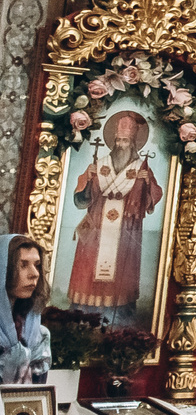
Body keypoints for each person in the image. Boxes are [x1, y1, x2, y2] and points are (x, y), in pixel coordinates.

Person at [68, 109, 160, 311]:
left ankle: (120, 309)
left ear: (134, 140)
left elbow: (153, 195)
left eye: (126, 140)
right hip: (97, 226)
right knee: (89, 263)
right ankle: (83, 307)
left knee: (121, 268)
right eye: (119, 140)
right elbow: (82, 197)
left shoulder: (141, 167)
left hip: (126, 229)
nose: (121, 143)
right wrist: (88, 180)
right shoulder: (99, 165)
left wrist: (146, 183)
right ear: (113, 140)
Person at [0, 236, 48, 384]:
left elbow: (38, 394)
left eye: (37, 265)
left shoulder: (38, 334)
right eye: (23, 265)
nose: (34, 274)